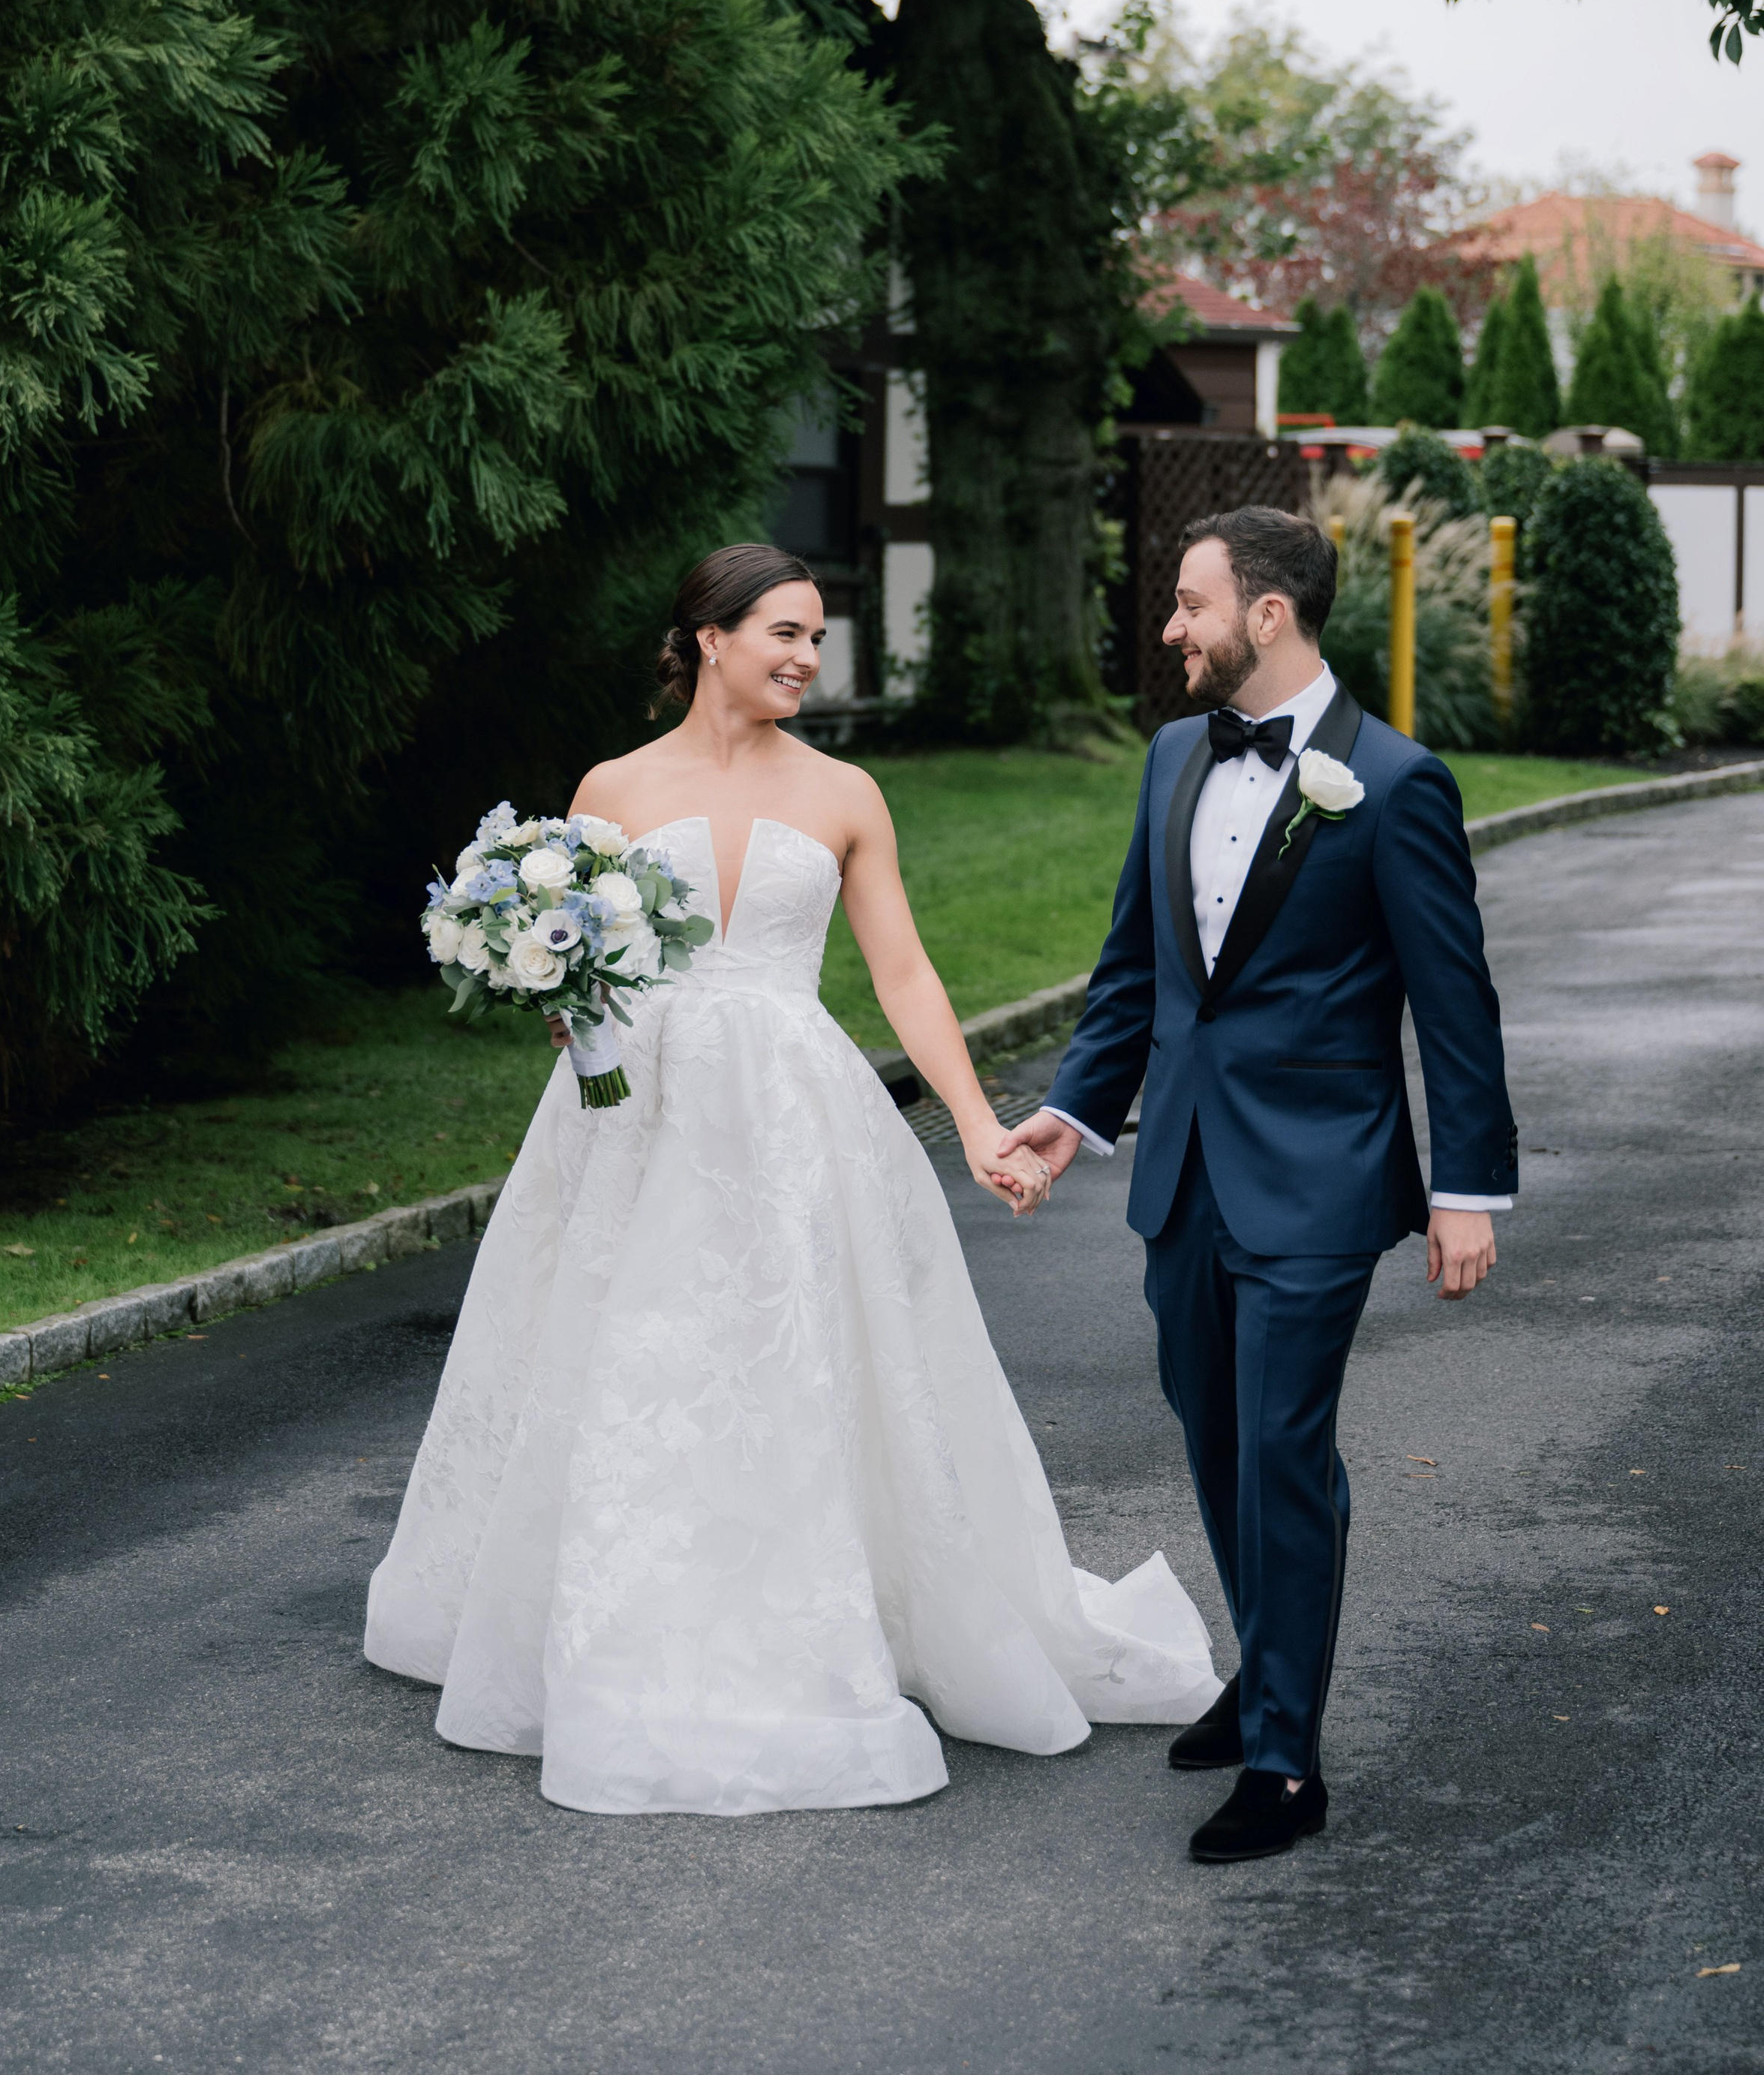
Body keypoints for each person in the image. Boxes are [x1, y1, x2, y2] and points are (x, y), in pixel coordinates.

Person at [365, 542, 1219, 1814]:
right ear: (708, 636)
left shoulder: (844, 794)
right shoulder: (612, 785)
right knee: (622, 1350)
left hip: (789, 1113)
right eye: (784, 633)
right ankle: (615, 1618)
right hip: (632, 1114)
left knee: (796, 1355)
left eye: (818, 638)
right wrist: (557, 997)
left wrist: (981, 1124)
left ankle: (809, 1615)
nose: (807, 659)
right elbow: (578, 952)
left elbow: (906, 976)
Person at [1005, 504, 1516, 1863]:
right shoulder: (1176, 753)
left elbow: (1453, 1007)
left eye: (1190, 604)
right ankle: (1265, 1664)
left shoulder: (1396, 785)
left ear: (1268, 614)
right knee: (1212, 1428)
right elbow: (1136, 973)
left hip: (1320, 1179)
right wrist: (1072, 1110)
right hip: (1181, 1166)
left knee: (1282, 1450)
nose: (1171, 627)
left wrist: (1467, 1188)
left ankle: (1286, 1762)